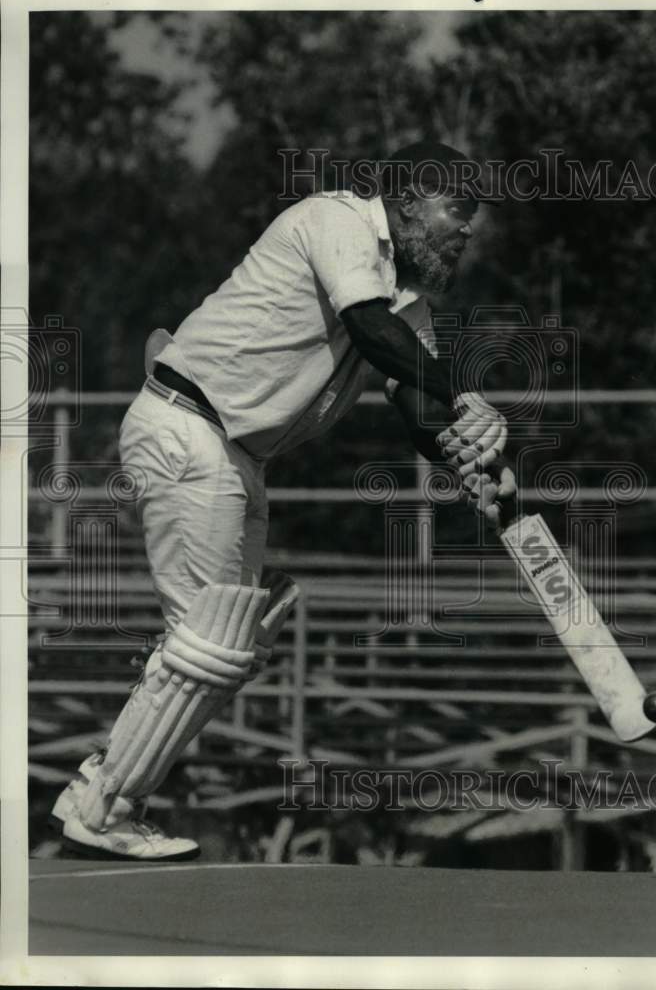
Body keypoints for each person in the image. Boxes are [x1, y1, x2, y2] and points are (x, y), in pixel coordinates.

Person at [50, 141, 516, 860]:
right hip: (190, 428)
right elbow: (372, 332)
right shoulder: (336, 221)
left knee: (232, 638)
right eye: (459, 209)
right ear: (412, 199)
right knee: (206, 639)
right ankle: (101, 805)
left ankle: (105, 799)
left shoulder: (404, 298)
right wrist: (464, 397)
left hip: (237, 455)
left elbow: (416, 401)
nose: (469, 229)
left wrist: (472, 456)